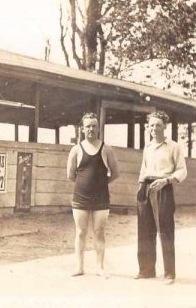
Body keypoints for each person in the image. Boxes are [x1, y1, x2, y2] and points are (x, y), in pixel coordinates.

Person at [136, 110, 187, 285]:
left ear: (165, 126)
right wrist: (141, 187)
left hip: (163, 188)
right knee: (144, 230)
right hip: (146, 187)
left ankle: (169, 273)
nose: (154, 128)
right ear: (148, 128)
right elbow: (144, 169)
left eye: (158, 125)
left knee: (165, 230)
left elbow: (182, 170)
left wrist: (166, 181)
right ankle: (146, 270)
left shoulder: (174, 147)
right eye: (151, 125)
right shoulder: (147, 147)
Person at [66, 112, 120, 277]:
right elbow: (70, 175)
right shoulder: (76, 149)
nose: (91, 129)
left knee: (99, 232)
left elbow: (116, 173)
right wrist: (85, 185)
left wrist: (101, 185)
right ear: (82, 129)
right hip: (80, 198)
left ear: (98, 128)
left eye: (94, 126)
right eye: (88, 126)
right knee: (80, 232)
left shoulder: (107, 149)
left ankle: (100, 267)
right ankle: (79, 267)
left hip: (101, 198)